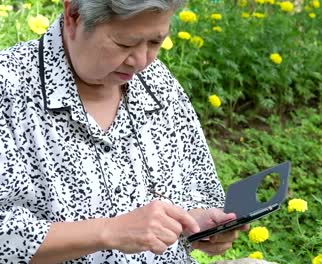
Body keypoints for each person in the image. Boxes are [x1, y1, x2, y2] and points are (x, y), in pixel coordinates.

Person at [0, 0, 247, 263]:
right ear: (73, 15)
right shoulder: (10, 88)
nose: (141, 61)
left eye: (155, 42)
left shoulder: (157, 81)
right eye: (124, 44)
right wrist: (109, 231)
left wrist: (196, 223)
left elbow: (199, 186)